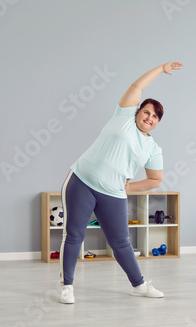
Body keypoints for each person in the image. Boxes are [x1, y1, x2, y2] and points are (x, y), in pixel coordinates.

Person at [58, 62, 183, 304]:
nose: (149, 117)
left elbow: (155, 179)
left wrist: (129, 187)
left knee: (121, 242)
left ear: (158, 122)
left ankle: (139, 285)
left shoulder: (152, 148)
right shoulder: (123, 116)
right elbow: (137, 85)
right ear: (137, 111)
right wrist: (161, 68)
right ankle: (67, 286)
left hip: (113, 193)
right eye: (146, 112)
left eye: (155, 116)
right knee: (73, 234)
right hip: (82, 181)